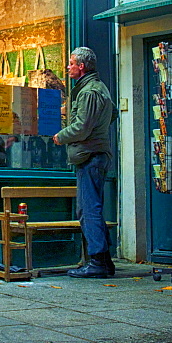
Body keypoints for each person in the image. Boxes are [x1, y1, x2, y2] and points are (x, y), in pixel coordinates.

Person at [53, 47, 117, 278]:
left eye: (71, 63)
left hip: (90, 155)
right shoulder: (98, 88)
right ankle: (105, 261)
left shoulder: (89, 91)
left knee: (88, 208)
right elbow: (113, 114)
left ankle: (98, 262)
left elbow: (81, 127)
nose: (67, 67)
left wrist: (61, 136)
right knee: (92, 208)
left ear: (81, 66)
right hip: (95, 153)